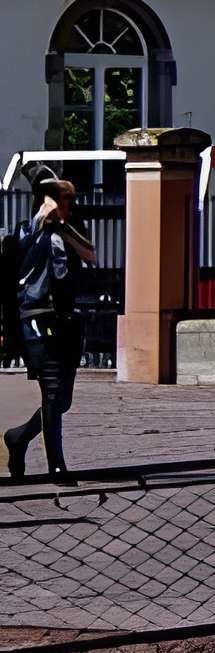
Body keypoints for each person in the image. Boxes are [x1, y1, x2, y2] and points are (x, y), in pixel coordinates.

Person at [0, 176, 89, 481]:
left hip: (68, 321)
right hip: (37, 317)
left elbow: (90, 254)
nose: (66, 207)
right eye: (60, 200)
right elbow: (17, 254)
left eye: (68, 201)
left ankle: (19, 437)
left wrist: (64, 228)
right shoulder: (27, 231)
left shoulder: (72, 231)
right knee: (51, 391)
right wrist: (41, 219)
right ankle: (56, 466)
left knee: (62, 400)